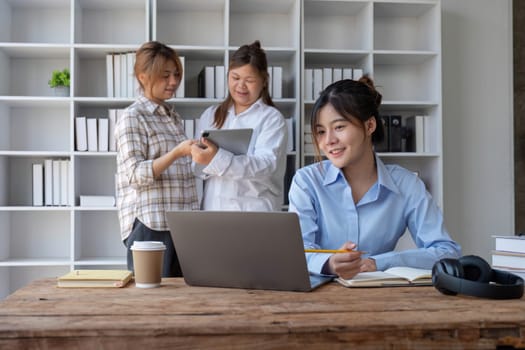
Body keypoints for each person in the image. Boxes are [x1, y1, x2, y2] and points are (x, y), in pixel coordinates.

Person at [288, 76, 461, 280]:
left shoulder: (406, 184)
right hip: (317, 299)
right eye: (321, 131)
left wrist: (378, 263)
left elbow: (446, 252)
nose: (329, 141)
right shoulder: (306, 181)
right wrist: (329, 263)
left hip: (380, 296)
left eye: (339, 127)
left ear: (370, 126)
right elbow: (298, 252)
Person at [115, 41, 199, 277]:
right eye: (165, 76)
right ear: (143, 77)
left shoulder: (171, 116)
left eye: (176, 74)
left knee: (181, 303)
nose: (173, 82)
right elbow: (134, 175)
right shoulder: (132, 117)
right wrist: (176, 153)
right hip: (150, 226)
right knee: (151, 304)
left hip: (180, 225)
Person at [190, 40, 288, 211]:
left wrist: (217, 158)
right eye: (235, 78)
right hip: (214, 211)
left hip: (254, 212)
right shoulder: (211, 115)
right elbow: (198, 169)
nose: (241, 86)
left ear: (264, 81)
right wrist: (201, 160)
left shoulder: (272, 118)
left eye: (249, 80)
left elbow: (266, 165)